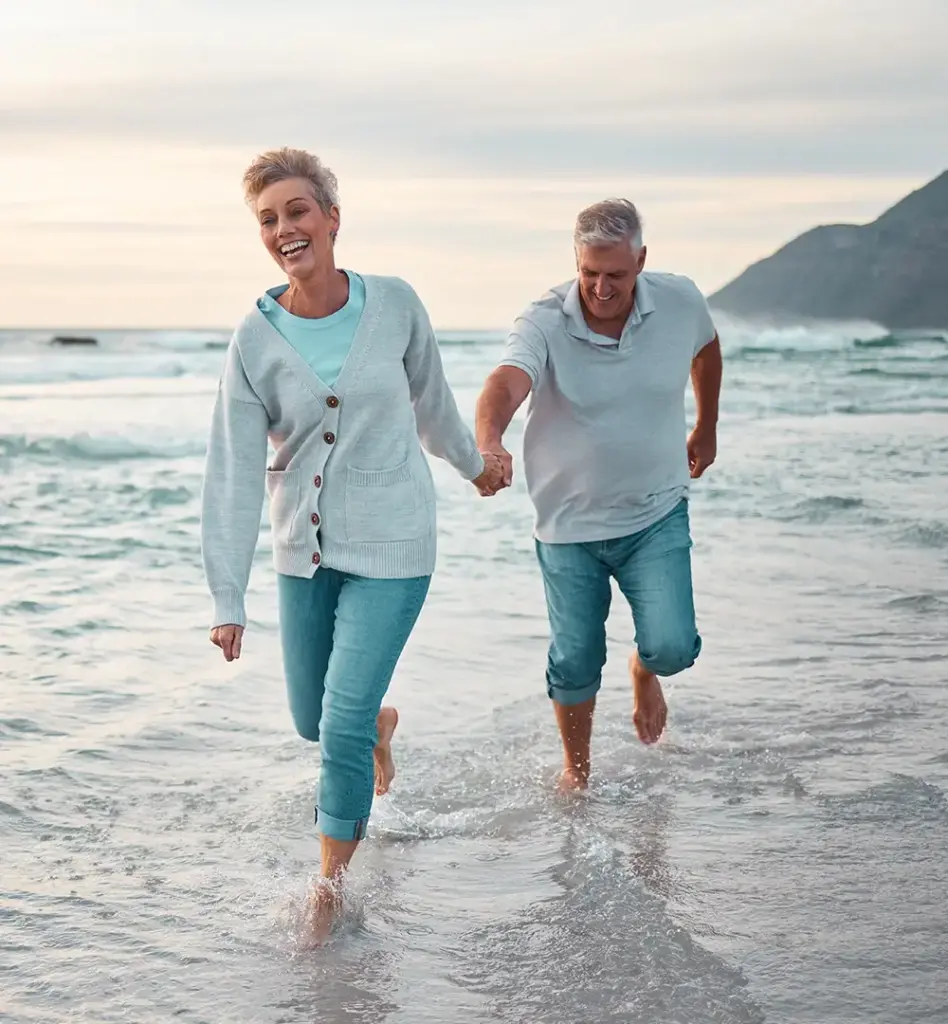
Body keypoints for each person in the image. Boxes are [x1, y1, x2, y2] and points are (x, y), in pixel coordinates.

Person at [200, 147, 506, 928]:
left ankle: (327, 893)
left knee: (332, 726)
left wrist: (476, 468)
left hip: (396, 546)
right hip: (304, 556)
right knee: (318, 721)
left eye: (297, 211)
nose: (284, 229)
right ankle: (376, 726)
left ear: (332, 217)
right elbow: (233, 471)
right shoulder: (253, 340)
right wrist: (226, 595)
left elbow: (434, 406)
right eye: (267, 219)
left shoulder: (396, 305)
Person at [474, 198, 722, 791]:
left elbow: (706, 348)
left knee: (672, 647)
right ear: (575, 262)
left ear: (641, 260)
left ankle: (645, 669)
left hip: (656, 512)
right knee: (576, 661)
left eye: (616, 274)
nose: (601, 288)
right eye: (589, 274)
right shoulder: (542, 320)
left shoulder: (680, 299)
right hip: (568, 526)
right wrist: (489, 441)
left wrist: (706, 424)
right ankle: (577, 774)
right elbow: (505, 383)